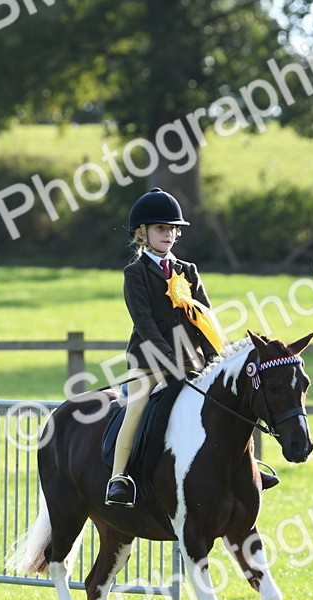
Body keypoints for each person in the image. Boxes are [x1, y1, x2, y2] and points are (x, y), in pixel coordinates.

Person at [105, 187, 222, 507]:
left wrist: (215, 358)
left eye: (172, 229)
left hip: (191, 362)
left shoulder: (189, 271)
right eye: (161, 228)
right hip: (149, 361)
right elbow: (145, 322)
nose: (168, 234)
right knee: (137, 407)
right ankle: (120, 477)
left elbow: (205, 317)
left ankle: (237, 468)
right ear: (142, 233)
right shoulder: (136, 273)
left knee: (225, 403)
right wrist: (168, 358)